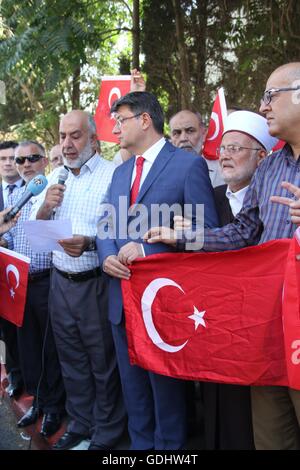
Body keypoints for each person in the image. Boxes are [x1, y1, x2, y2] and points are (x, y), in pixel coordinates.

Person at [144, 62, 300, 450]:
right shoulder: (272, 170)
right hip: (270, 328)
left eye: (270, 96)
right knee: (271, 436)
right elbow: (241, 232)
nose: (263, 106)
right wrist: (184, 238)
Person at [96, 91, 218, 450]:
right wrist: (106, 255)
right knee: (134, 396)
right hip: (122, 303)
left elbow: (205, 233)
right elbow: (106, 225)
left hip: (164, 307)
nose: (116, 127)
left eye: (121, 119)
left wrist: (147, 249)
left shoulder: (185, 165)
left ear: (144, 120)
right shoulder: (120, 173)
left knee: (166, 400)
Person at [30, 110, 126, 451]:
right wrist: (43, 210)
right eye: (62, 137)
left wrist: (88, 242)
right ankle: (80, 423)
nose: (67, 144)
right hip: (60, 282)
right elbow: (36, 234)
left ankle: (107, 432)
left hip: (95, 282)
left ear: (94, 139)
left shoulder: (114, 175)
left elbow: (120, 230)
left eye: (75, 136)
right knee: (71, 360)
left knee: (103, 362)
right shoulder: (55, 176)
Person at [203, 110, 276, 450]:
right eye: (223, 148)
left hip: (262, 325)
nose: (226, 156)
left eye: (236, 148)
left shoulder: (274, 204)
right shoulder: (208, 199)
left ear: (262, 158)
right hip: (214, 322)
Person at [2, 140, 65, 438]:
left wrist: (43, 212)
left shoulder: (55, 189)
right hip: (21, 283)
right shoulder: (16, 197)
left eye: (33, 158)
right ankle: (39, 402)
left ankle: (54, 408)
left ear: (44, 162)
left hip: (48, 280)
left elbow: (60, 238)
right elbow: (16, 241)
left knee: (48, 349)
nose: (26, 164)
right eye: (20, 160)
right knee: (28, 348)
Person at [0, 140, 24, 399]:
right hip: (2, 277)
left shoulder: (33, 190)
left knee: (24, 334)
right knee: (5, 334)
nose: (8, 163)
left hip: (27, 276)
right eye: (3, 158)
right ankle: (13, 375)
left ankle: (28, 377)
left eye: (13, 158)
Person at [169, 109, 224, 187]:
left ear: (204, 133)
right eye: (177, 133)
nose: (183, 138)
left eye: (190, 131)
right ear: (171, 138)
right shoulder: (160, 171)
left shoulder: (222, 171)